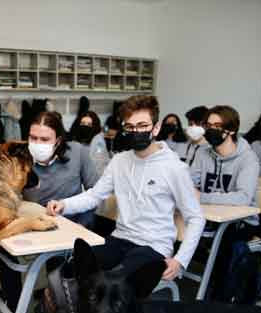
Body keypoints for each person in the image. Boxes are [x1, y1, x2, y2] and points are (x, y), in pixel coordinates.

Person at [47, 95, 205, 285]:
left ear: (156, 127)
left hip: (154, 247)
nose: (136, 131)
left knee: (114, 283)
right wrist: (64, 205)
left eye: (142, 125)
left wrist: (180, 260)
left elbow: (196, 218)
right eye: (130, 127)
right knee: (72, 269)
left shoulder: (175, 168)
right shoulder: (119, 161)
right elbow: (94, 195)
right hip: (120, 239)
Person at [0, 111, 99, 313]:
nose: (37, 144)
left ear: (58, 140)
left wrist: (69, 210)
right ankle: (13, 304)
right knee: (2, 251)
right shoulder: (20, 158)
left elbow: (95, 192)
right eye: (33, 138)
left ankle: (56, 311)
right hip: (32, 223)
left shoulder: (79, 153)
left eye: (44, 139)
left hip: (67, 226)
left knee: (58, 276)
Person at [189, 105, 260, 300]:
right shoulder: (203, 152)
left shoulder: (248, 159)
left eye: (217, 126)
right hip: (209, 215)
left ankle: (217, 300)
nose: (211, 130)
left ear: (231, 130)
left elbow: (243, 198)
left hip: (242, 221)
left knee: (224, 242)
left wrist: (202, 196)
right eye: (208, 125)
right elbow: (189, 182)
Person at [75, 110, 111, 177]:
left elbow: (98, 166)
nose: (85, 127)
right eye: (83, 123)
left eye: (89, 124)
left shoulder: (98, 142)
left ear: (94, 126)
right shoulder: (80, 139)